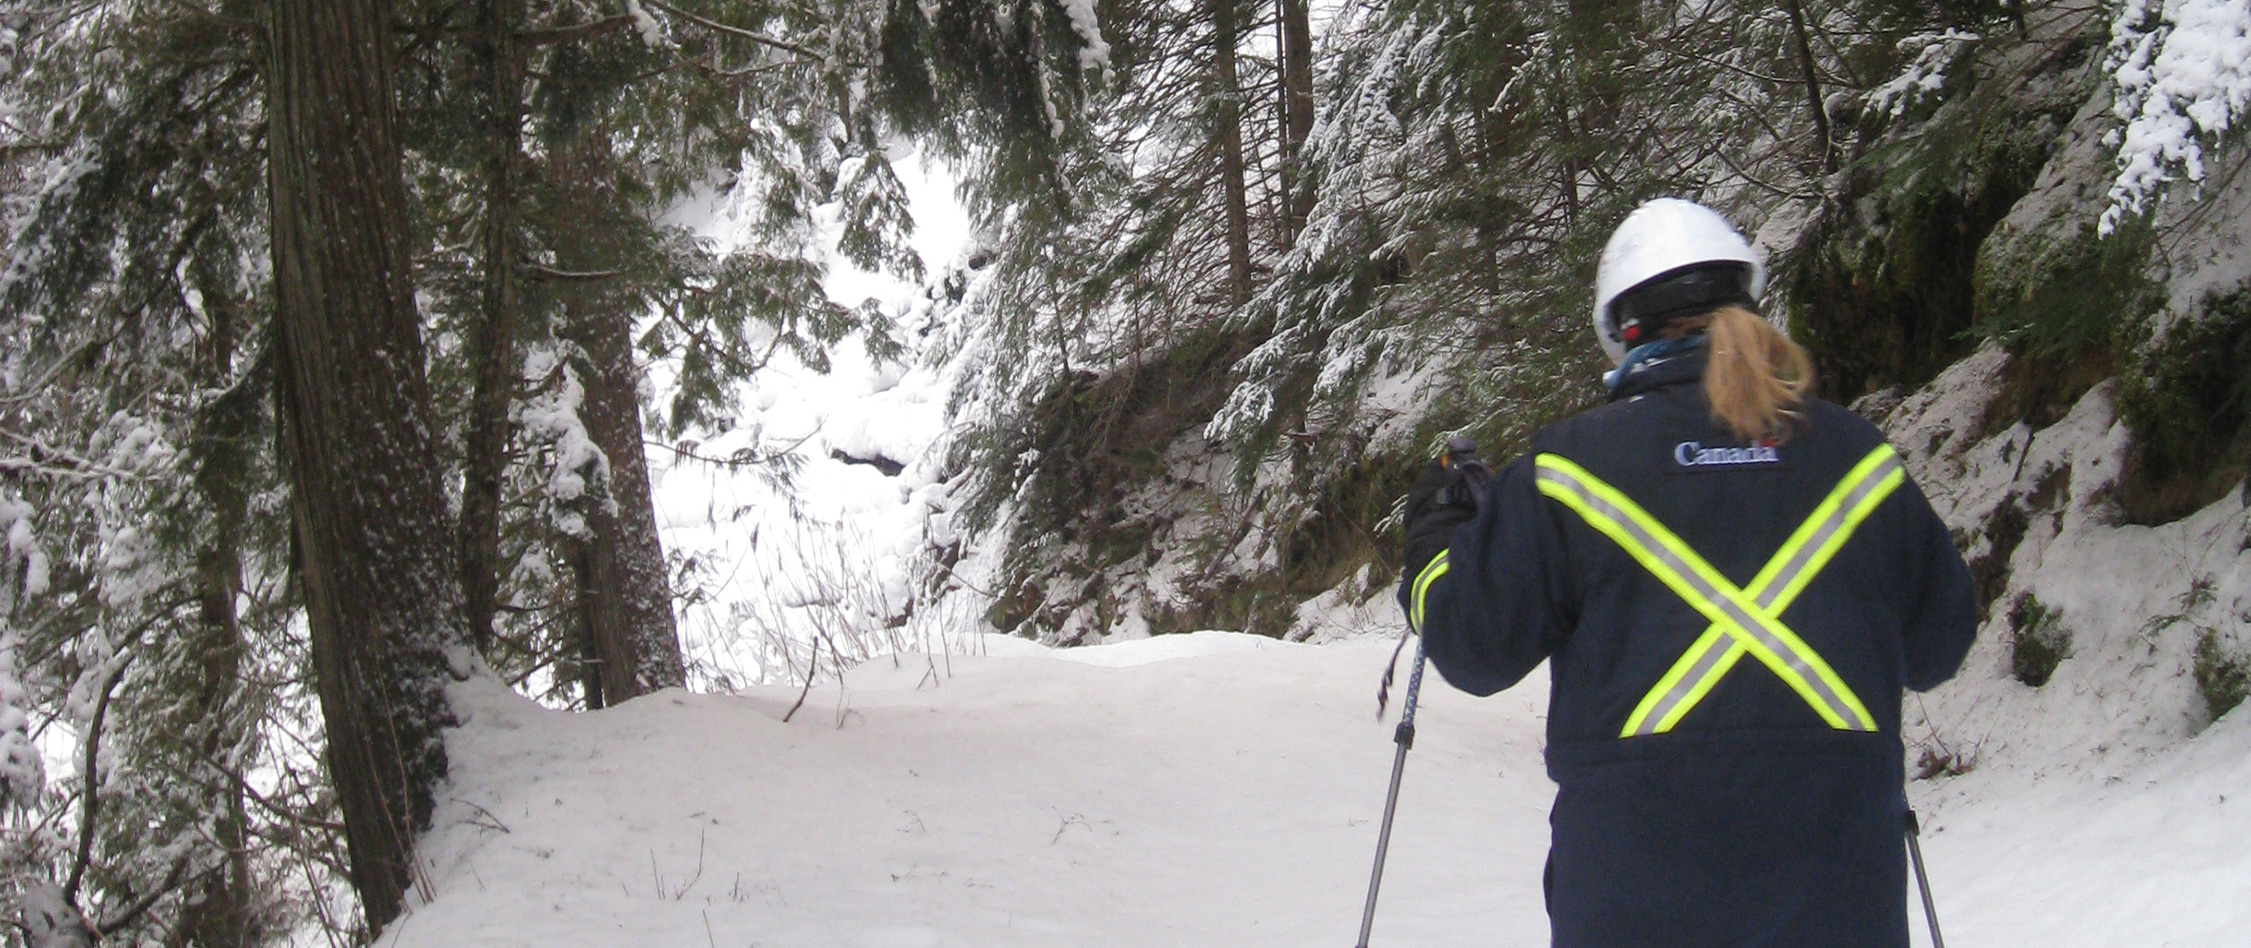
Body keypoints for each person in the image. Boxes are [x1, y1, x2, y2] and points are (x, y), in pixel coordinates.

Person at [1396, 197, 1978, 947]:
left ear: (1623, 331)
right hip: (1839, 894)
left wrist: (1437, 537)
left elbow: (1474, 649)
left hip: (1632, 899)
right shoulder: (1858, 460)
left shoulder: (1567, 469)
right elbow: (1938, 645)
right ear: (1749, 308)